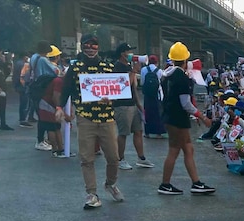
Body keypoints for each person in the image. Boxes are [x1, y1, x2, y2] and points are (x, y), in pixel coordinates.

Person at [56, 33, 124, 210]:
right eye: (87, 45)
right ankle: (92, 194)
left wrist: (113, 99)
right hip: (85, 118)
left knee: (114, 158)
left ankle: (110, 184)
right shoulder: (76, 67)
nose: (90, 48)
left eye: (94, 45)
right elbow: (66, 89)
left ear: (98, 47)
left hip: (107, 118)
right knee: (87, 158)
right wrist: (60, 107)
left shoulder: (109, 67)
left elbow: (120, 91)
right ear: (82, 47)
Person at [157, 42, 215, 196]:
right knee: (175, 150)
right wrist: (202, 116)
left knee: (187, 148)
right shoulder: (181, 78)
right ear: (185, 60)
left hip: (170, 115)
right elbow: (186, 103)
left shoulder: (166, 74)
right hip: (178, 118)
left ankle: (195, 182)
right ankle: (166, 184)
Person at [112, 43, 153, 171]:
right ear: (122, 54)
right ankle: (120, 159)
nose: (131, 54)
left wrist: (139, 104)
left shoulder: (128, 66)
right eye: (128, 51)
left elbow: (133, 86)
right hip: (122, 105)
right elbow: (123, 86)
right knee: (123, 133)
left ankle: (141, 158)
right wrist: (134, 71)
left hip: (132, 104)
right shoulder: (117, 67)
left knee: (138, 131)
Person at [140, 55, 166, 138]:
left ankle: (147, 133)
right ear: (157, 63)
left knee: (147, 113)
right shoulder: (159, 71)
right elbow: (161, 83)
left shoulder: (144, 70)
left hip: (147, 95)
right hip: (156, 95)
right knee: (158, 113)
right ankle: (158, 133)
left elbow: (142, 83)